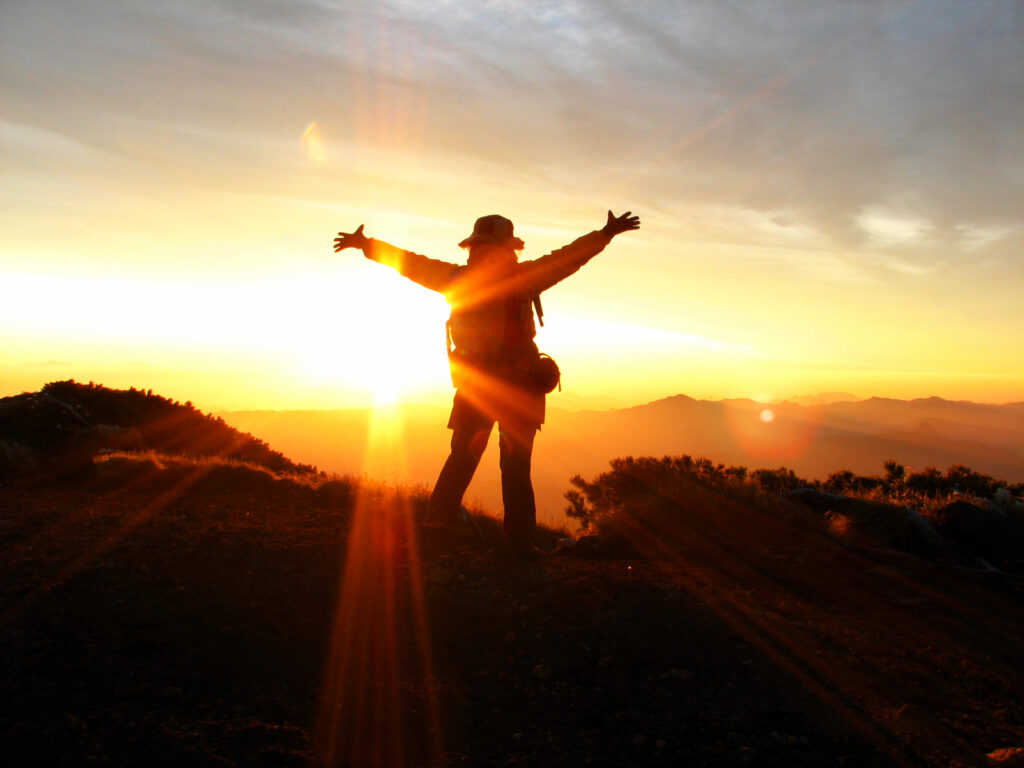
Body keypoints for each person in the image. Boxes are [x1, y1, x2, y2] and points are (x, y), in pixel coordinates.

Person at [333, 210, 640, 558]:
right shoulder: (524, 278)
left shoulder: (456, 278)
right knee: (515, 468)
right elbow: (568, 258)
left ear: (475, 246)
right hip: (520, 387)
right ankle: (520, 545)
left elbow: (409, 263)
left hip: (477, 386)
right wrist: (605, 233)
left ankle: (437, 528)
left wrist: (366, 245)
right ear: (509, 249)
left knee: (461, 459)